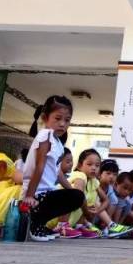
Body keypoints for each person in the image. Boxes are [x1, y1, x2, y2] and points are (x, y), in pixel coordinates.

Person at [21, 97, 85, 242]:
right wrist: (29, 196)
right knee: (76, 197)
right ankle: (34, 223)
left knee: (77, 197)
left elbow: (57, 172)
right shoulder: (45, 135)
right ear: (45, 117)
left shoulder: (58, 142)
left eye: (67, 120)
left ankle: (39, 223)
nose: (62, 124)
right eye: (57, 118)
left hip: (46, 193)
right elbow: (39, 166)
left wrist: (73, 192)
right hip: (36, 195)